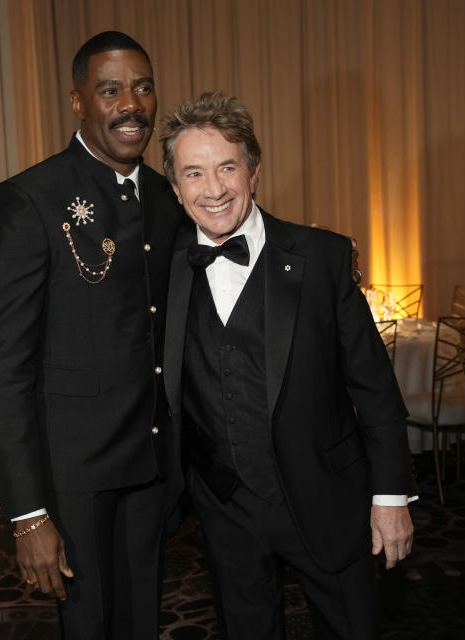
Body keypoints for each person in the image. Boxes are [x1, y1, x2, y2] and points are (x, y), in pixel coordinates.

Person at [160, 91, 414, 640]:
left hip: (327, 495)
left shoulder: (322, 256)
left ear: (253, 171)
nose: (214, 189)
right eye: (194, 173)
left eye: (227, 167)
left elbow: (374, 388)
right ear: (176, 188)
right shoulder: (164, 270)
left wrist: (390, 498)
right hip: (226, 506)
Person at [0, 31, 184, 639]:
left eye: (143, 88)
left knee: (143, 618)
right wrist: (26, 512)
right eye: (110, 89)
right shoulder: (29, 200)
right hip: (74, 477)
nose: (131, 105)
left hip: (152, 464)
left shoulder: (169, 199)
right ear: (78, 103)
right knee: (89, 626)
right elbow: (5, 368)